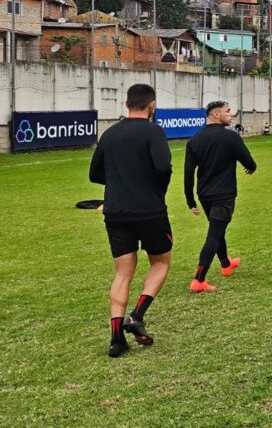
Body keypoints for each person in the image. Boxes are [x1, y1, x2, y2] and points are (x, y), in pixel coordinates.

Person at [88, 84, 173, 358]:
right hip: (150, 210)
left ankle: (116, 339)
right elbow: (163, 167)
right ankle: (137, 315)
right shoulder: (154, 131)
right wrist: (153, 187)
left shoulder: (110, 133)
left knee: (123, 273)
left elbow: (95, 174)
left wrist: (121, 179)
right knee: (161, 262)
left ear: (126, 104)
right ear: (152, 105)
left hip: (116, 211)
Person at [183, 100, 257, 293]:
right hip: (223, 194)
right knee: (215, 233)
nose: (231, 115)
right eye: (228, 111)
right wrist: (251, 167)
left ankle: (226, 264)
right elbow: (248, 161)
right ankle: (199, 279)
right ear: (216, 115)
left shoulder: (194, 140)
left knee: (217, 228)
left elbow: (188, 172)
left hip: (204, 194)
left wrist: (190, 199)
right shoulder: (230, 137)